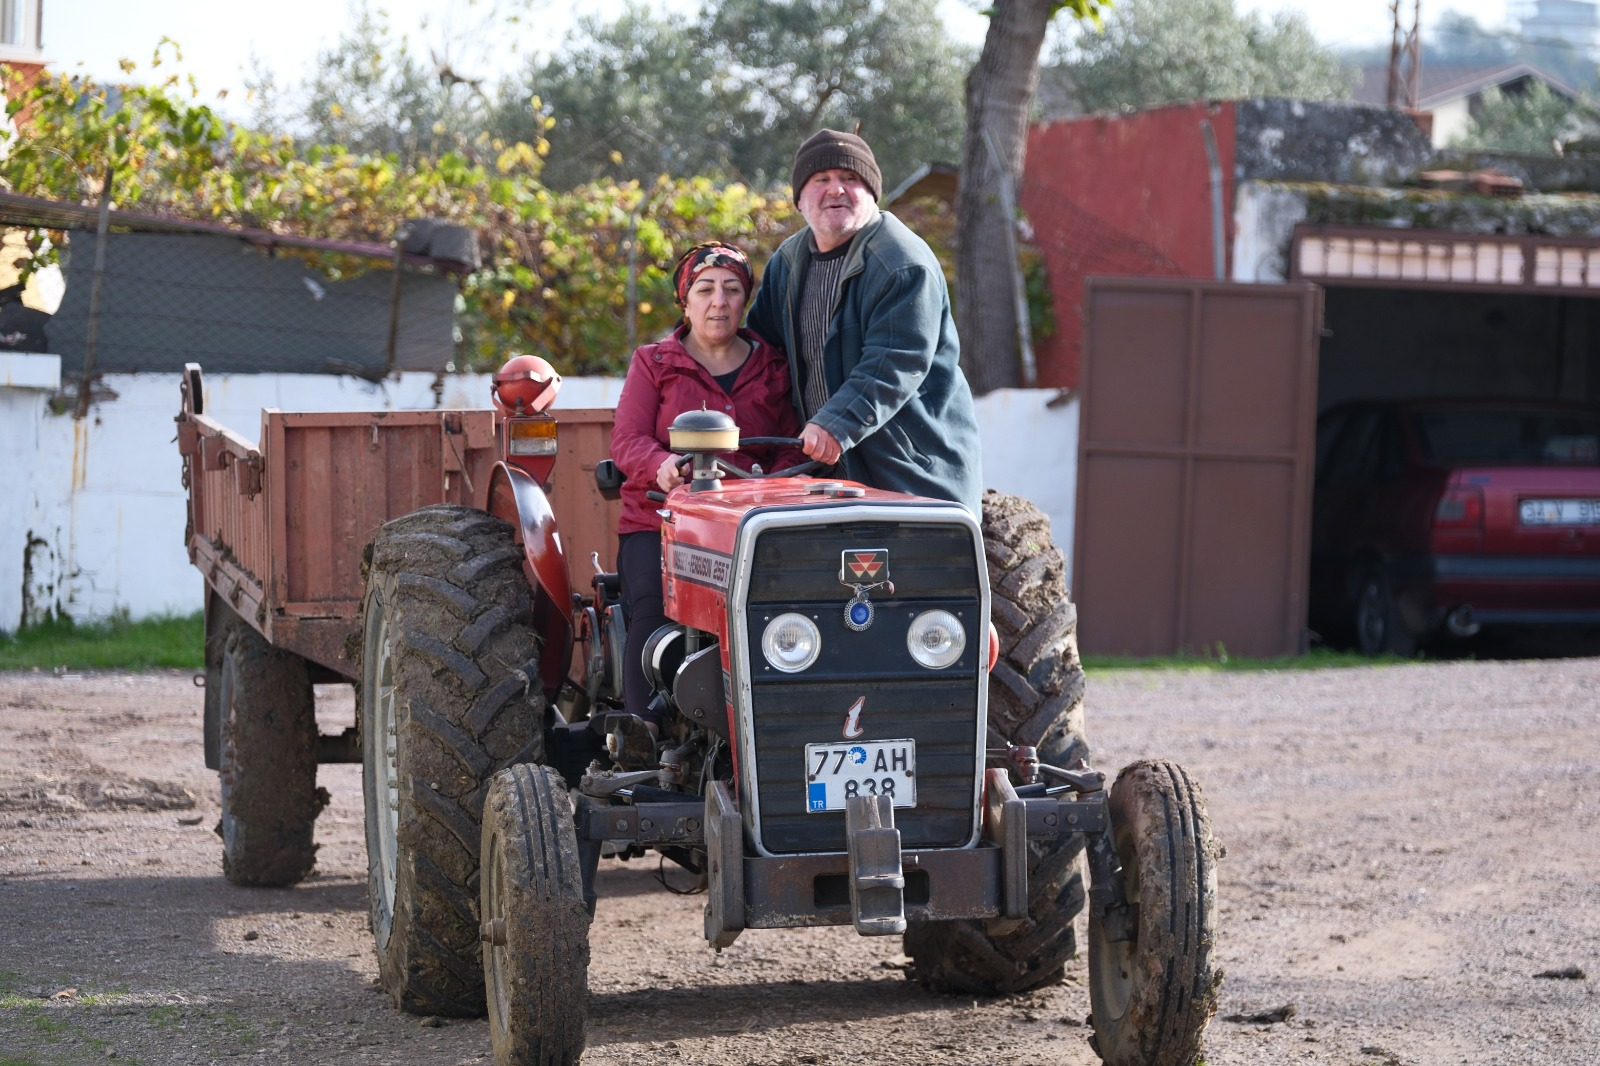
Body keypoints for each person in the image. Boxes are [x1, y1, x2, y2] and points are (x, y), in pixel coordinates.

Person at [610, 241, 807, 726]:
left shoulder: (775, 366)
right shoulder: (653, 362)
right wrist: (661, 465)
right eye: (705, 289)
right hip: (660, 521)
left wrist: (768, 480)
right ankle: (644, 737)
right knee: (656, 608)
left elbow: (789, 446)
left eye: (732, 289)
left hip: (753, 526)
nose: (718, 301)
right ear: (685, 299)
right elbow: (628, 440)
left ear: (745, 301)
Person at [746, 128, 983, 517]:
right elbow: (759, 354)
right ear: (800, 200)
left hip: (910, 474)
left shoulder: (902, 263)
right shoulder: (787, 263)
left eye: (849, 179)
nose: (835, 190)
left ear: (872, 192)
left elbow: (894, 362)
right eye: (821, 180)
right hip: (822, 474)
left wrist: (835, 425)